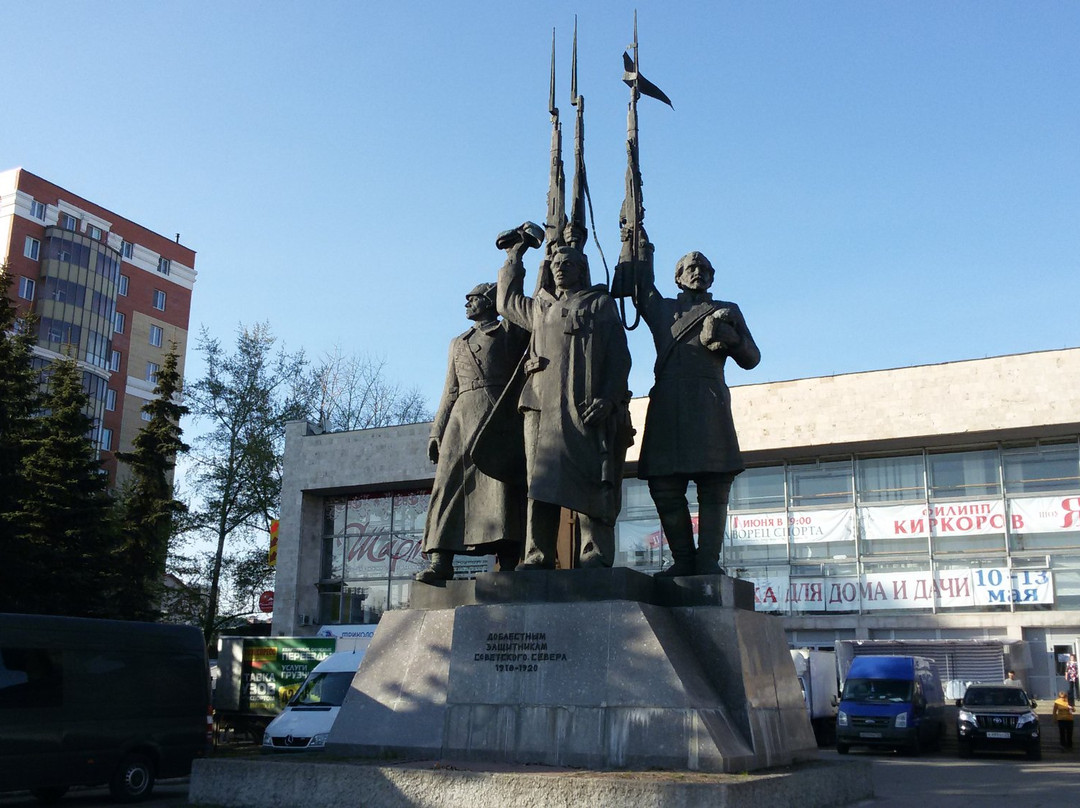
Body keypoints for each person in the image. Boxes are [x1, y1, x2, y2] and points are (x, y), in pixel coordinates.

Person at [495, 237, 632, 569]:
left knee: (591, 476)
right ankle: (536, 554)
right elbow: (506, 301)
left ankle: (594, 553)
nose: (560, 268)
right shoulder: (539, 306)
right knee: (538, 484)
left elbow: (619, 357)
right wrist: (515, 257)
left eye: (567, 263)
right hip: (540, 407)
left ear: (582, 270)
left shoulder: (599, 304)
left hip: (582, 404)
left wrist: (610, 399)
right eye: (555, 264)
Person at [632, 250, 760, 576]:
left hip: (708, 402)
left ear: (712, 276)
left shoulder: (726, 310)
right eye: (691, 268)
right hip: (668, 403)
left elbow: (752, 358)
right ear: (677, 276)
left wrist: (731, 337)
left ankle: (707, 562)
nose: (697, 272)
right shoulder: (662, 309)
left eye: (704, 268)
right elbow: (639, 283)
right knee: (664, 484)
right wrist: (634, 237)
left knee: (714, 483)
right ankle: (684, 561)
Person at [415, 283, 529, 583]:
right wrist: (436, 431)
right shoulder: (457, 342)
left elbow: (519, 301)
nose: (467, 303)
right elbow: (448, 390)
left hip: (496, 415)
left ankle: (508, 564)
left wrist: (514, 258)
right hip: (460, 419)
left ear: (492, 301)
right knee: (448, 484)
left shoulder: (509, 332)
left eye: (475, 298)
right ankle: (440, 561)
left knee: (501, 489)